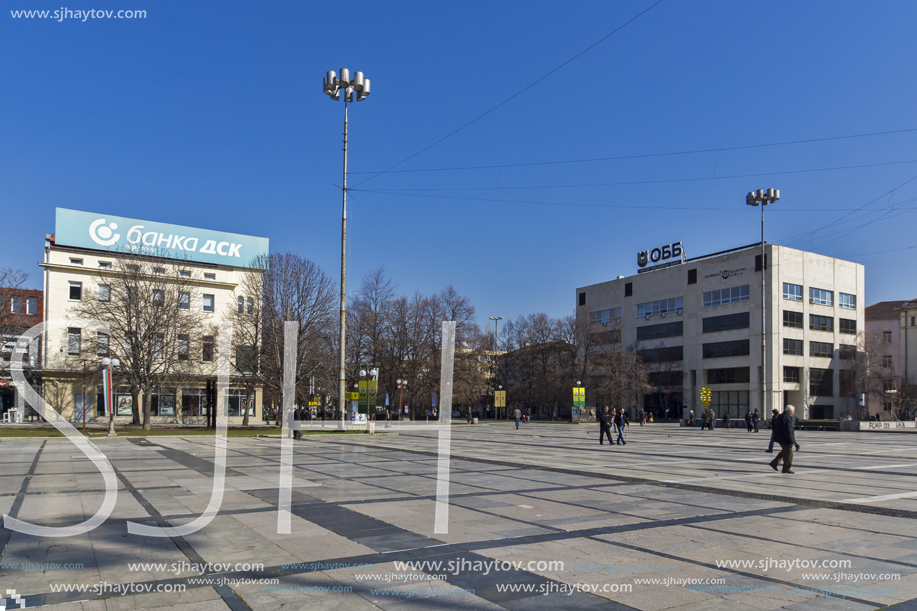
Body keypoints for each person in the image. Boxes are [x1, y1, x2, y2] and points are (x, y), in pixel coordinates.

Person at [769, 405, 800, 474]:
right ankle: (786, 468)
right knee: (789, 453)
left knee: (785, 451)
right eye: (793, 411)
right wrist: (792, 441)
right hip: (785, 439)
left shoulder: (780, 416)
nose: (793, 412)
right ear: (789, 411)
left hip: (780, 438)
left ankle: (774, 463)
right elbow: (788, 431)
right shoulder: (787, 418)